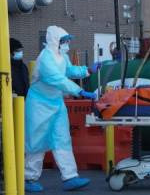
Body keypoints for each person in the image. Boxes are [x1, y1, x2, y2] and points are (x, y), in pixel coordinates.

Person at [24, 26, 101, 192]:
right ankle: (29, 178)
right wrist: (79, 91)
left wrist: (87, 70)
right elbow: (58, 79)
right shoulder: (45, 58)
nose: (67, 43)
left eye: (68, 40)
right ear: (55, 41)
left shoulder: (62, 56)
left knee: (62, 139)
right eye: (64, 41)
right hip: (39, 104)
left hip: (56, 103)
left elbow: (69, 70)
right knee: (36, 141)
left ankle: (70, 177)